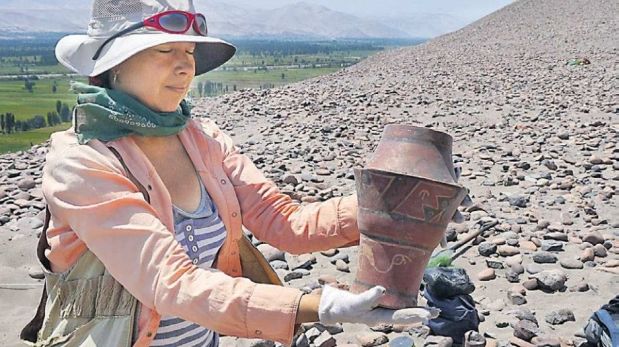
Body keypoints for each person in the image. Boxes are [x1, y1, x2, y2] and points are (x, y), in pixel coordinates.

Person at [21, 0, 440, 346]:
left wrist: (395, 208)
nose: (186, 67)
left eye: (189, 53)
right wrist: (316, 306)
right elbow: (169, 282)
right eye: (165, 51)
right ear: (115, 63)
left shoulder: (201, 139)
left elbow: (285, 222)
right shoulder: (82, 162)